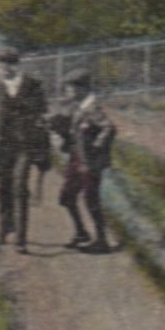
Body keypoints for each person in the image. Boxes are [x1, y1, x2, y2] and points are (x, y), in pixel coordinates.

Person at [0, 47, 50, 252]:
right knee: (4, 187)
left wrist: (43, 150)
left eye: (6, 64)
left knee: (19, 187)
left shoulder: (32, 85)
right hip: (0, 147)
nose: (2, 68)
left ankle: (21, 237)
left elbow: (42, 119)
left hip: (24, 146)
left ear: (15, 65)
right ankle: (4, 227)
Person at [51, 68, 117, 251]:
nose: (67, 92)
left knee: (91, 200)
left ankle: (102, 240)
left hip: (89, 162)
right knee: (67, 197)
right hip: (77, 158)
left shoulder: (92, 107)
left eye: (70, 88)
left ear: (81, 88)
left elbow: (109, 128)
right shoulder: (79, 106)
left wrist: (95, 149)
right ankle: (81, 233)